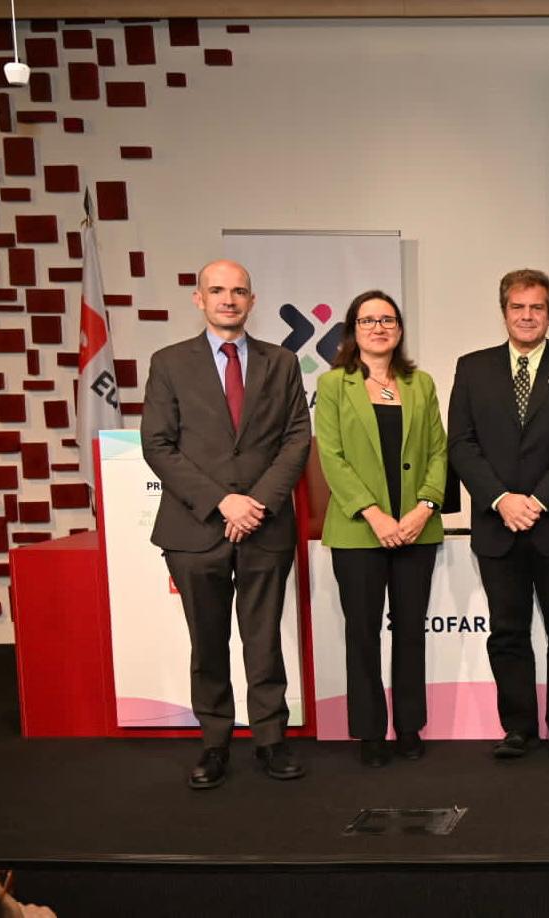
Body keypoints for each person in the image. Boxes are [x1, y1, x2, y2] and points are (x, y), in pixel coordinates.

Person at [142, 259, 311, 789]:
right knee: (208, 641)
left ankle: (270, 740)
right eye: (217, 290)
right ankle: (215, 742)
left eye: (239, 291)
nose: (228, 299)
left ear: (252, 301)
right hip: (194, 530)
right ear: (199, 299)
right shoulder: (169, 362)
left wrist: (254, 502)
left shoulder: (282, 362)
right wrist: (222, 502)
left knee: (264, 640)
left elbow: (296, 439)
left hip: (265, 524)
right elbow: (157, 444)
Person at [449, 269, 549, 760]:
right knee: (507, 632)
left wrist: (537, 501)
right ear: (504, 312)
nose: (527, 316)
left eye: (537, 307)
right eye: (518, 307)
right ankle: (517, 727)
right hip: (498, 525)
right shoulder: (472, 368)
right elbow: (461, 445)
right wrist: (502, 499)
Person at [315, 290, 447, 767]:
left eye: (387, 319)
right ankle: (370, 731)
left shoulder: (420, 383)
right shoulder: (333, 385)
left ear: (399, 329)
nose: (378, 327)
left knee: (410, 631)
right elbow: (331, 457)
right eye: (368, 320)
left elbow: (438, 451)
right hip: (359, 531)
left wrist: (423, 509)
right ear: (353, 330)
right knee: (363, 633)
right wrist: (375, 514)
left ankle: (409, 726)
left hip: (416, 530)